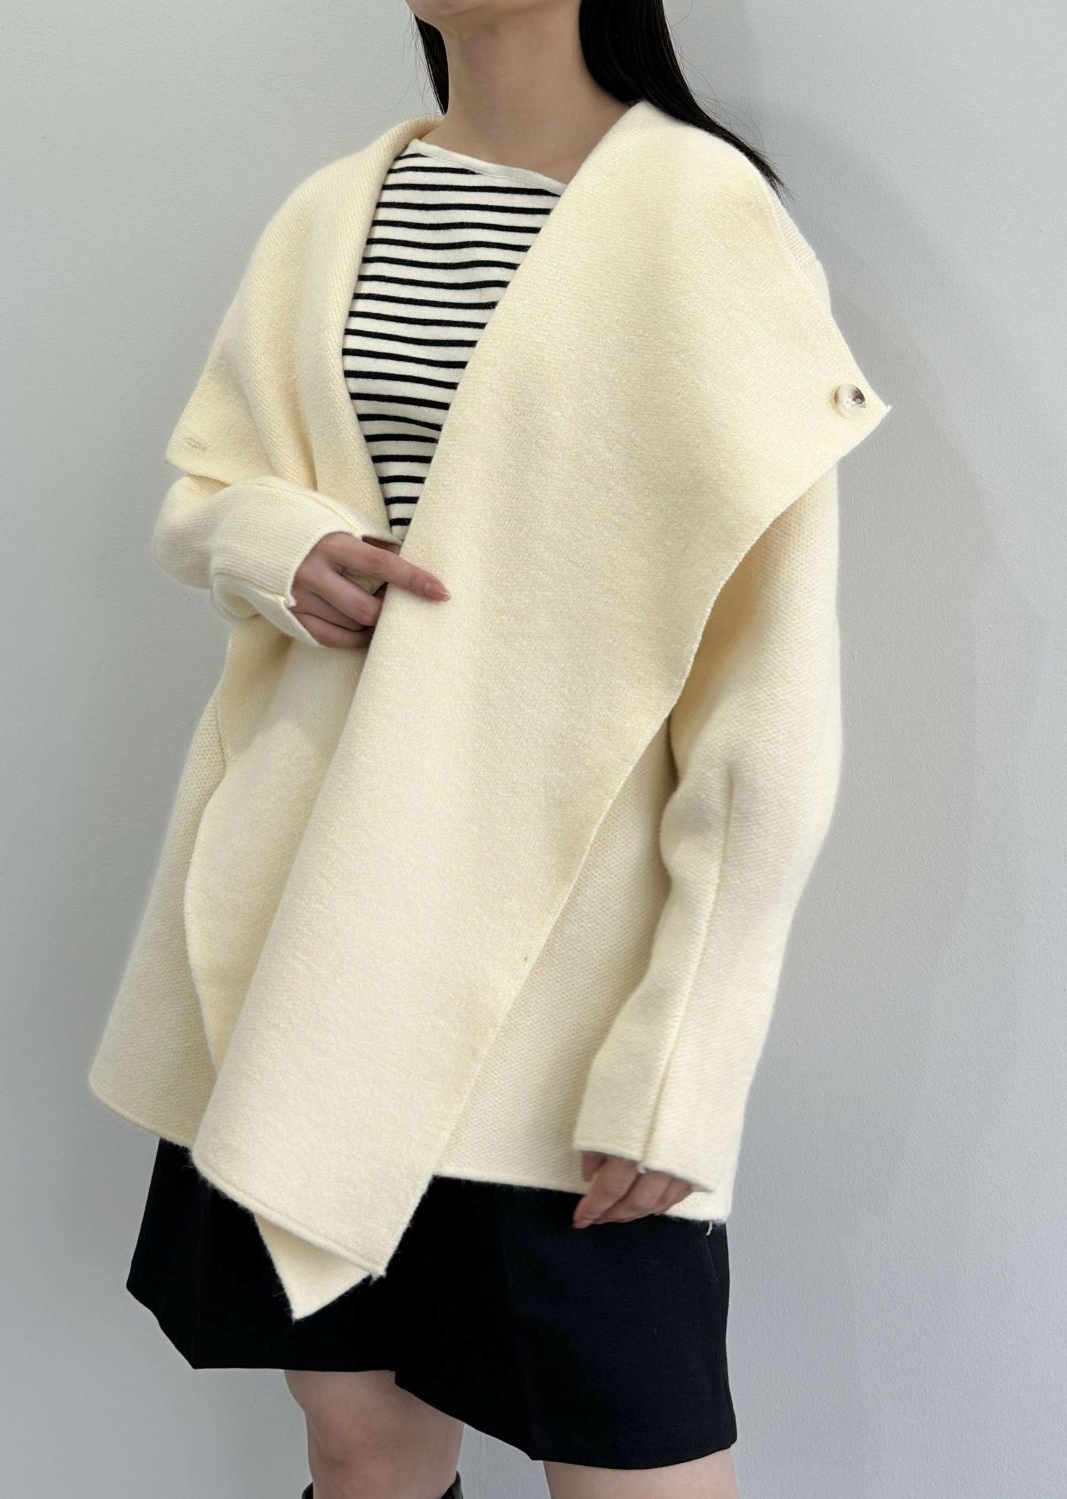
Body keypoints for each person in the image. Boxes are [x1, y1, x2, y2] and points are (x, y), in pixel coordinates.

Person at [87, 3, 893, 1496]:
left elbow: (768, 686)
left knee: (635, 1463)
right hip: (313, 925)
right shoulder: (331, 213)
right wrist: (276, 544)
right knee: (363, 1440)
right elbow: (205, 491)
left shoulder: (700, 214)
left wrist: (686, 1057)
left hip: (561, 970)